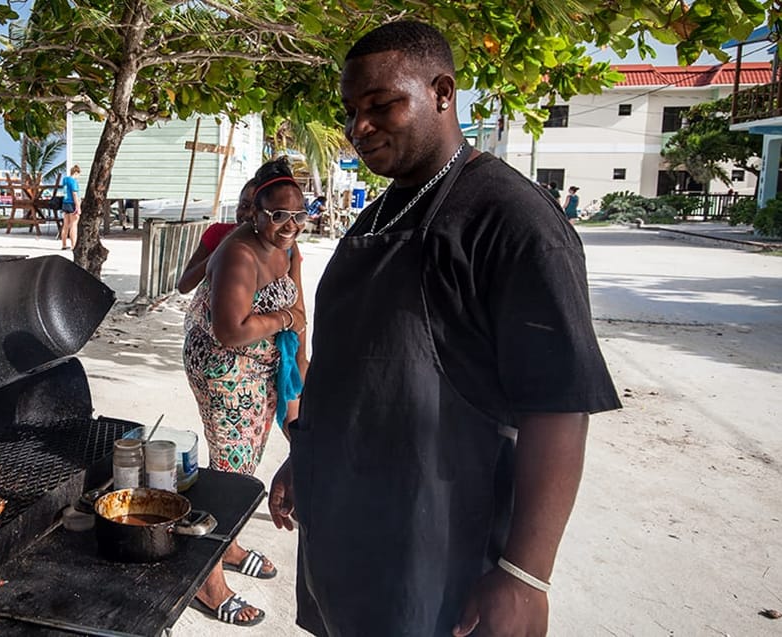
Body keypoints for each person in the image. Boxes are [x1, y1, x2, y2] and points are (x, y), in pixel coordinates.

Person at [266, 20, 620, 637]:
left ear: (443, 93)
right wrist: (309, 455)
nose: (359, 129)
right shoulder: (378, 213)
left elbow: (558, 408)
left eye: (381, 106)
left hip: (436, 555)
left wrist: (525, 576)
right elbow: (354, 361)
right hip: (346, 536)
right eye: (351, 111)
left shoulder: (512, 221)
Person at [183, 158, 310, 627]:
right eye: (278, 215)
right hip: (225, 368)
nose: (290, 225)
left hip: (260, 369)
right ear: (256, 214)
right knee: (230, 473)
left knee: (243, 463)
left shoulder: (290, 248)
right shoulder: (238, 252)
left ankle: (228, 542)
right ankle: (205, 582)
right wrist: (282, 322)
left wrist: (299, 373)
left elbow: (300, 310)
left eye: (300, 214)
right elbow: (230, 331)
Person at [176, 177, 258, 294]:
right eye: (244, 206)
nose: (248, 215)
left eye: (256, 210)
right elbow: (184, 286)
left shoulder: (276, 244)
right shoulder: (218, 232)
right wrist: (221, 248)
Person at [59, 165, 81, 250]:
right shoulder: (73, 181)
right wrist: (78, 206)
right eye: (78, 175)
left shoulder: (65, 180)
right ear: (76, 173)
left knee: (65, 225)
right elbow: (74, 194)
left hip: (65, 203)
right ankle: (73, 245)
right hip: (72, 203)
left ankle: (64, 244)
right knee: (74, 225)